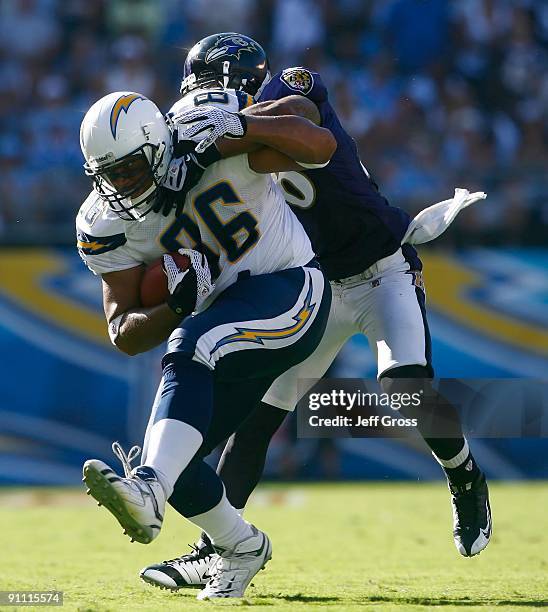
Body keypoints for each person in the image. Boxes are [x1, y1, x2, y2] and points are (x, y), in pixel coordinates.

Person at [139, 32, 492, 591]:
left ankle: (464, 475)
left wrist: (238, 126)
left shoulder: (284, 93)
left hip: (381, 268)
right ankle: (218, 550)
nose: (205, 102)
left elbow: (306, 123)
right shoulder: (214, 145)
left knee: (406, 387)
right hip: (315, 285)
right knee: (259, 418)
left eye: (213, 88)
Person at [78, 80, 336, 599]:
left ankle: (148, 487)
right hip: (228, 329)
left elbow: (321, 145)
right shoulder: (105, 221)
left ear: (157, 146)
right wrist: (174, 303)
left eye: (130, 168)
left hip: (291, 290)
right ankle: (241, 545)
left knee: (189, 346)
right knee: (183, 463)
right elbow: (123, 332)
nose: (123, 185)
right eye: (110, 175)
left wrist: (244, 126)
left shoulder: (206, 138)